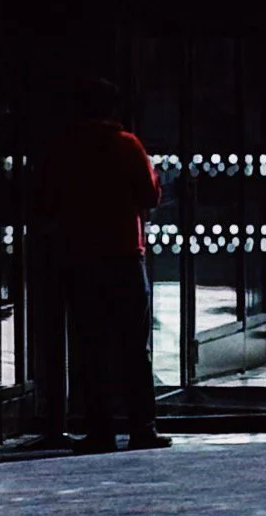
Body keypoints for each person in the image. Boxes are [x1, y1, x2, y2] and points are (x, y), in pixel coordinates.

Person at [40, 78, 172, 453]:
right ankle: (141, 427)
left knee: (91, 347)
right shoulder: (126, 145)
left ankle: (100, 430)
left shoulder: (64, 149)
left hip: (79, 257)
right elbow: (149, 195)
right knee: (133, 346)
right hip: (124, 254)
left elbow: (48, 200)